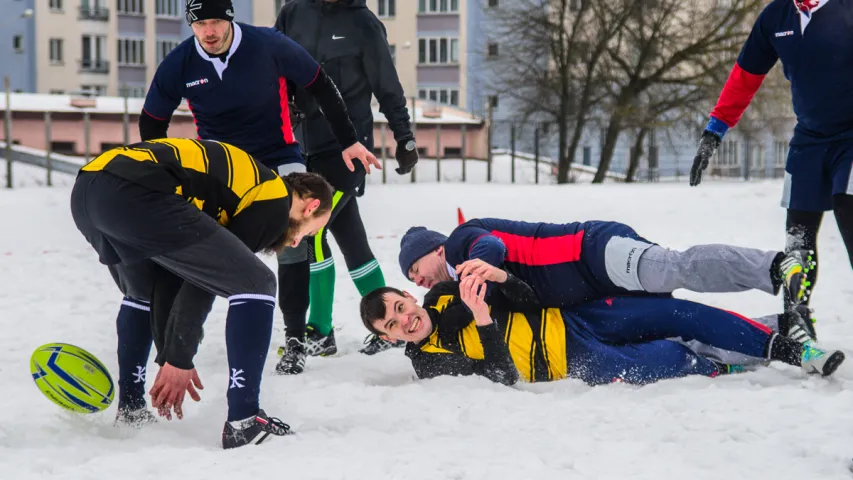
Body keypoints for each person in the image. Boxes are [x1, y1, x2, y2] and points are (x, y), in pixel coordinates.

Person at [70, 138, 334, 449]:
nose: (295, 243)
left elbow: (174, 279)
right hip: (136, 190)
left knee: (141, 291)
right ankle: (244, 419)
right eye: (310, 231)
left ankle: (131, 408)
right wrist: (179, 357)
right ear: (311, 205)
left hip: (89, 189)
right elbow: (207, 278)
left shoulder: (242, 189)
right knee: (257, 283)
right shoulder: (273, 197)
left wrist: (171, 354)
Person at [359, 266, 843, 386]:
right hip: (573, 361)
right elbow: (500, 379)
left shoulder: (443, 296)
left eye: (400, 306)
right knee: (674, 357)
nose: (406, 319)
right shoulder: (427, 362)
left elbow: (524, 295)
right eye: (394, 325)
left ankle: (789, 347)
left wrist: (503, 277)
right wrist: (485, 323)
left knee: (676, 315)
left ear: (406, 295)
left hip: (573, 319)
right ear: (388, 338)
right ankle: (733, 361)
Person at [273, 0, 418, 374]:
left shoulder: (363, 23)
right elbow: (269, 67)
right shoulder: (293, 13)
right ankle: (388, 321)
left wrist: (405, 138)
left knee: (312, 232)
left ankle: (320, 330)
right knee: (351, 237)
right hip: (298, 150)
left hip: (346, 151)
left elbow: (388, 86)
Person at [689, 0, 853, 326]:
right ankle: (796, 317)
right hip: (810, 140)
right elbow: (746, 75)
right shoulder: (776, 16)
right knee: (798, 233)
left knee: (847, 206)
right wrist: (714, 131)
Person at [398, 218, 815, 342]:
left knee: (674, 268)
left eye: (414, 269)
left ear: (433, 251)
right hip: (590, 296)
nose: (417, 281)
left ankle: (776, 266)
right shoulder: (461, 285)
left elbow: (491, 247)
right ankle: (780, 327)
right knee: (671, 323)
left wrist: (481, 268)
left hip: (592, 250)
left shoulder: (458, 246)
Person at [139, 0, 379, 185]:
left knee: (299, 224)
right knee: (221, 237)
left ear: (229, 18)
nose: (209, 32)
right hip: (219, 161)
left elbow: (321, 85)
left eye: (216, 22)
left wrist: (349, 140)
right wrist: (163, 168)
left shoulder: (269, 45)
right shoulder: (178, 64)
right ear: (191, 24)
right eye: (200, 24)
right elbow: (152, 121)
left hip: (279, 156)